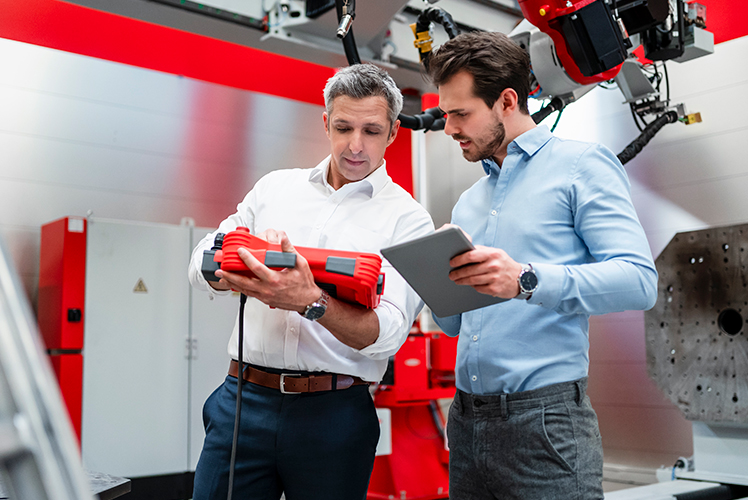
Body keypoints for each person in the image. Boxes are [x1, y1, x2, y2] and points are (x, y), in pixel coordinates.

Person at [425, 31, 658, 499]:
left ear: (506, 101)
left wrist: (526, 279)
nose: (448, 128)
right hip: (466, 422)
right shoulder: (470, 202)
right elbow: (450, 325)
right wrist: (436, 280)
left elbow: (638, 280)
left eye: (460, 114)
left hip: (545, 424)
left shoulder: (581, 166)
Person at [187, 63, 434, 500]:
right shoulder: (274, 190)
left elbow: (388, 336)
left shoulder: (409, 220)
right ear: (325, 122)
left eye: (372, 131)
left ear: (394, 133)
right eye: (343, 127)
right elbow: (200, 262)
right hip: (243, 402)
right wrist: (241, 272)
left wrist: (310, 301)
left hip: (334, 416)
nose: (355, 146)